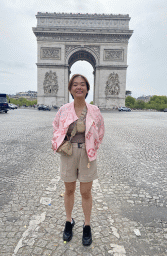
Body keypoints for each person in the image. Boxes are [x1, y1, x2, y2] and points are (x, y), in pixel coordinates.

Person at [52, 74, 105, 246]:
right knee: (68, 190)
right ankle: (69, 221)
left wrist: (92, 146)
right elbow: (55, 127)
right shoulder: (63, 110)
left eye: (82, 84)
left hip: (87, 154)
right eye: (75, 84)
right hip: (68, 153)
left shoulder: (95, 110)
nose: (79, 87)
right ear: (70, 89)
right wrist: (60, 142)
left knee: (86, 192)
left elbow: (101, 130)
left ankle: (87, 225)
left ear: (88, 88)